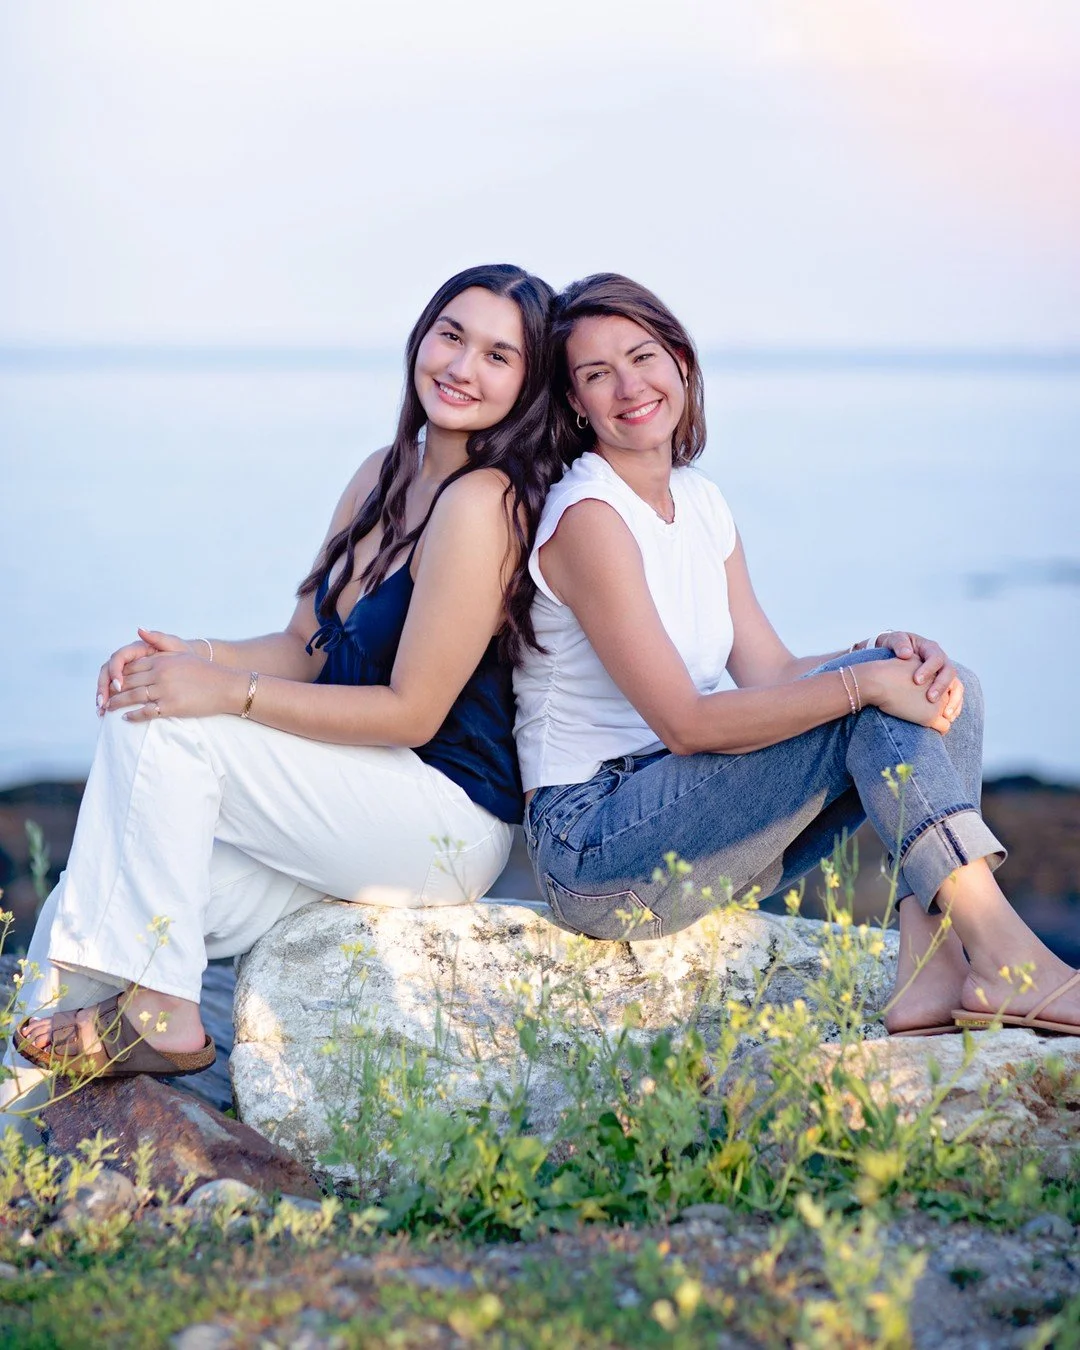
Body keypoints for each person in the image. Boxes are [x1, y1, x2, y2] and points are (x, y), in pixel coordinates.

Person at [6, 262, 558, 1099]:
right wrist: (190, 656)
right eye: (451, 335)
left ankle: (165, 1014)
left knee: (163, 728)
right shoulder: (383, 472)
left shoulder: (485, 503)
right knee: (89, 902)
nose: (461, 366)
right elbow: (306, 644)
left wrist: (225, 695)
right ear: (421, 337)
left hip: (441, 822)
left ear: (528, 383)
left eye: (497, 355)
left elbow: (412, 714)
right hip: (345, 808)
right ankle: (25, 1130)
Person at [513, 273, 1079, 1038]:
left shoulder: (698, 501)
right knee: (871, 699)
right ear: (575, 403)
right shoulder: (589, 518)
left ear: (680, 360)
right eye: (596, 374)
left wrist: (883, 656)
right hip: (597, 848)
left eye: (642, 357)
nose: (629, 386)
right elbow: (686, 723)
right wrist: (863, 685)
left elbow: (772, 674)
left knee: (947, 687)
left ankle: (932, 970)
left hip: (688, 821)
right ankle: (1010, 957)